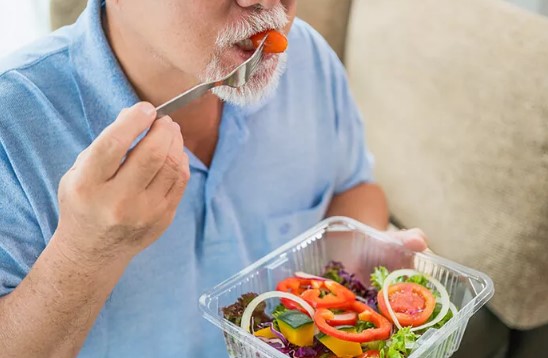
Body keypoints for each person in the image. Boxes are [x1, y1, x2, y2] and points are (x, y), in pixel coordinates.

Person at [0, 0, 427, 356]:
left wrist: (357, 271)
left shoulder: (308, 59)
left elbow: (354, 189)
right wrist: (84, 254)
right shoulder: (11, 124)